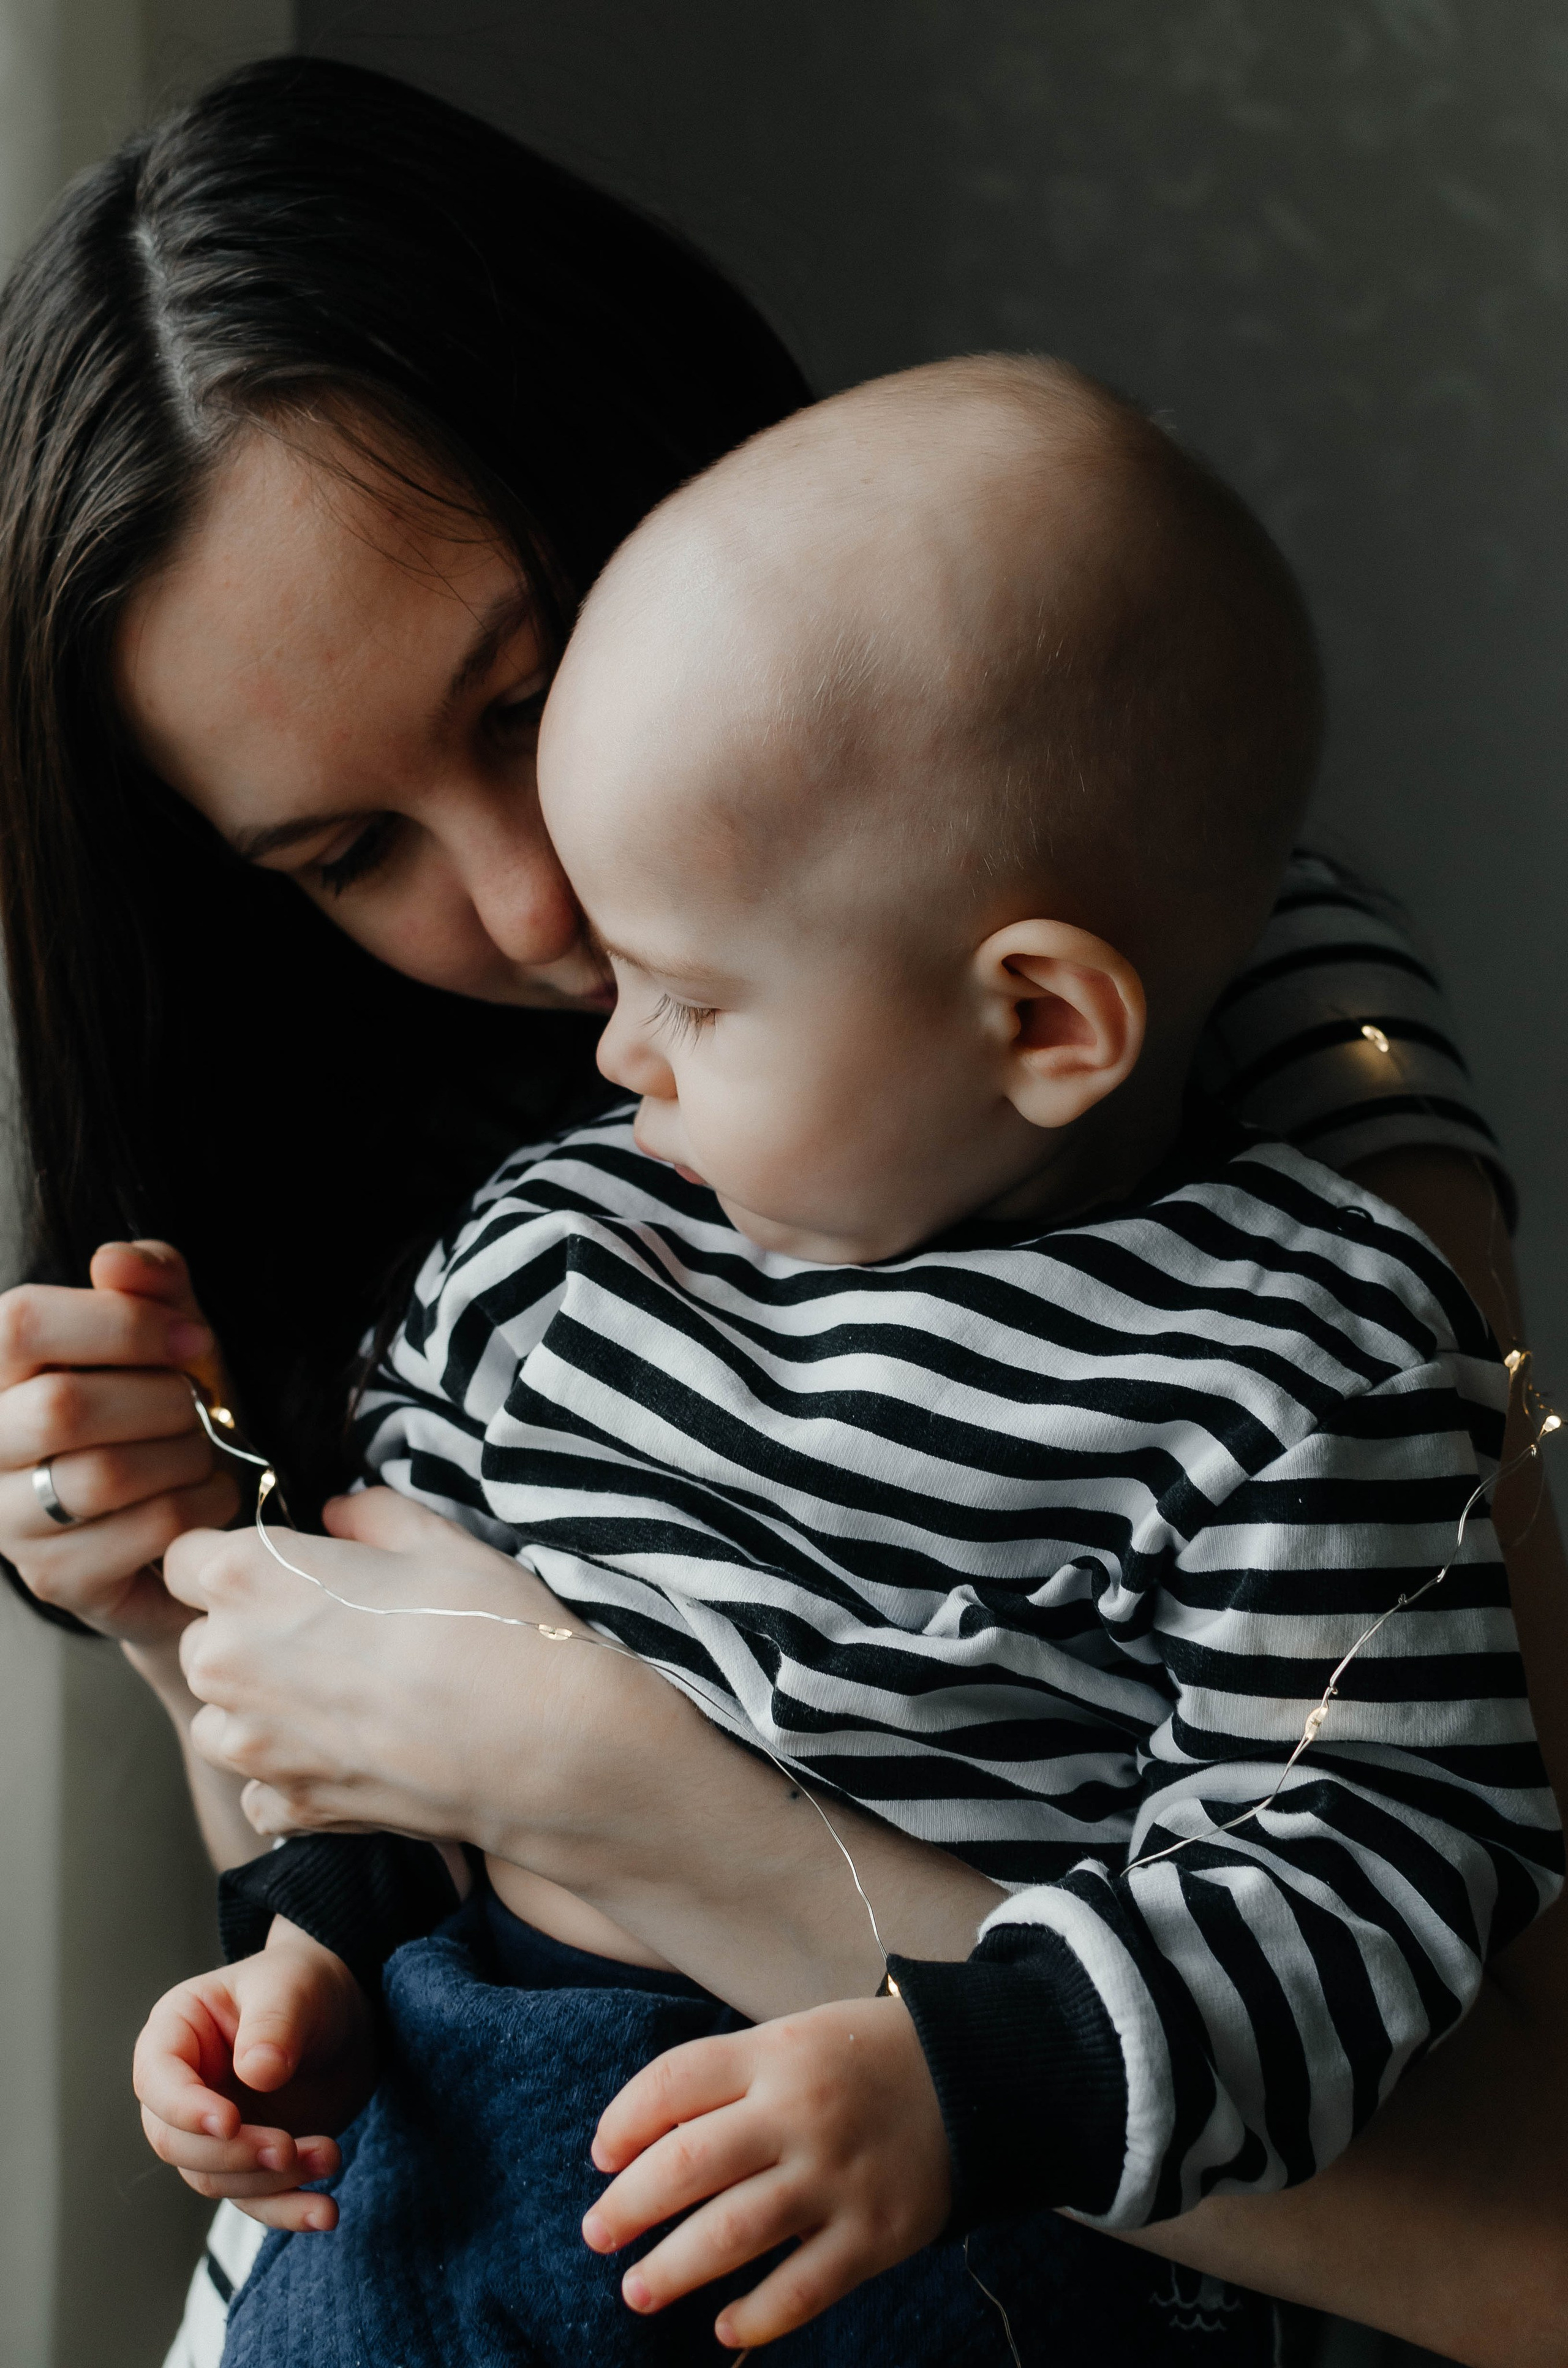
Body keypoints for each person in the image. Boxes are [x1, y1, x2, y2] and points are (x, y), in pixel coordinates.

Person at [0, 52, 1559, 2368]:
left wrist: (625, 1793)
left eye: (526, 702)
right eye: (346, 855)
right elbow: (382, 1841)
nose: (535, 910)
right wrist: (181, 1614)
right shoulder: (489, 1203)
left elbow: (1512, 2201)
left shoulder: (1243, 1094)